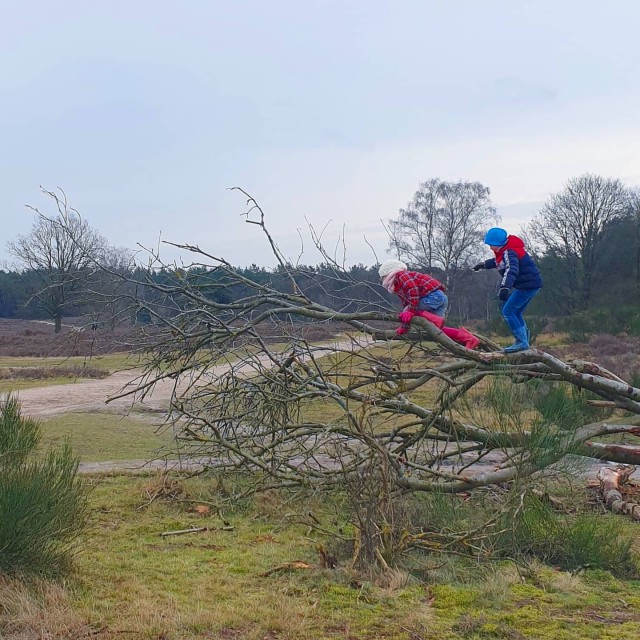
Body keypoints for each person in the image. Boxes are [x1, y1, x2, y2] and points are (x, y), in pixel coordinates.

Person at [379, 260, 479, 349]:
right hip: (439, 298)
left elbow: (413, 290)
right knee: (438, 330)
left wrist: (410, 312)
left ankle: (437, 320)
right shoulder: (398, 285)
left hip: (432, 297)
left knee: (407, 311)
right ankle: (469, 338)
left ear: (389, 273)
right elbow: (407, 304)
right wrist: (404, 328)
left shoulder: (401, 275)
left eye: (383, 277)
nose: (382, 280)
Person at [472, 227, 543, 353]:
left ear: (498, 244)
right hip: (532, 284)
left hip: (527, 286)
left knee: (508, 311)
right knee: (516, 312)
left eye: (491, 245)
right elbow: (499, 262)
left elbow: (511, 269)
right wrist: (483, 265)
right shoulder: (507, 250)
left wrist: (505, 288)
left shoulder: (509, 252)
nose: (490, 248)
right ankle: (524, 341)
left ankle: (521, 342)